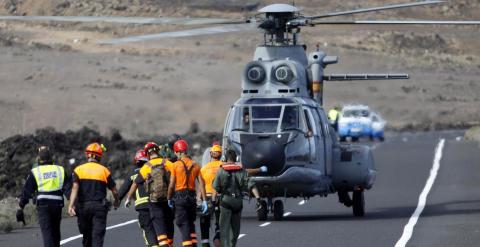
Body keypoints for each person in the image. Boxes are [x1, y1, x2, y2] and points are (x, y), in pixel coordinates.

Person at [68, 143, 120, 247]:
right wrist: (117, 201)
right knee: (97, 237)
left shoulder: (78, 170)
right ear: (99, 156)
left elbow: (75, 188)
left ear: (87, 155)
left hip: (83, 208)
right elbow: (114, 190)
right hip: (99, 208)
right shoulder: (104, 170)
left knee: (87, 236)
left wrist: (71, 205)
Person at [18, 146, 70, 247]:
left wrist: (21, 206)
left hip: (43, 206)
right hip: (57, 205)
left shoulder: (36, 172)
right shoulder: (60, 170)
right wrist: (73, 204)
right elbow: (68, 188)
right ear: (51, 158)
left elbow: (27, 191)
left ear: (39, 159)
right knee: (55, 233)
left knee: (47, 233)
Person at [125, 142, 175, 247]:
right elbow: (176, 178)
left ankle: (164, 244)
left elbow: (136, 183)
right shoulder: (167, 163)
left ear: (148, 154)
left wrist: (128, 198)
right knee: (169, 226)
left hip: (154, 202)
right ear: (158, 151)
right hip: (168, 200)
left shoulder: (146, 167)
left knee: (160, 229)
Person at [213, 150, 263, 247]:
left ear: (225, 158)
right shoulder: (242, 171)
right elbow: (252, 186)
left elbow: (215, 189)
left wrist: (213, 202)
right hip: (238, 203)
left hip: (225, 202)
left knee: (224, 230)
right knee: (235, 231)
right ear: (236, 158)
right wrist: (258, 199)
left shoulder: (221, 171)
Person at [167, 139, 208, 247]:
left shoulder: (175, 165)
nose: (175, 155)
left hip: (180, 198)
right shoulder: (196, 165)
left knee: (182, 223)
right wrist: (205, 201)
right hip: (191, 198)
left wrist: (169, 198)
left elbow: (171, 185)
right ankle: (193, 245)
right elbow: (202, 185)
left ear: (179, 152)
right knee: (190, 223)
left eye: (176, 152)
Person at [118, 150, 158, 247]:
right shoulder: (153, 170)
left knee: (148, 230)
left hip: (142, 207)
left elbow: (122, 191)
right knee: (159, 228)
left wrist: (116, 202)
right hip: (155, 204)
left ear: (136, 161)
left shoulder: (132, 175)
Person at [199, 144, 223, 247]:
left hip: (208, 197)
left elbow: (201, 186)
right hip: (222, 197)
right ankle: (218, 235)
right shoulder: (224, 166)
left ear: (211, 154)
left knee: (204, 219)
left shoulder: (204, 169)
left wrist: (200, 199)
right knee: (220, 219)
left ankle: (205, 242)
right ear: (221, 155)